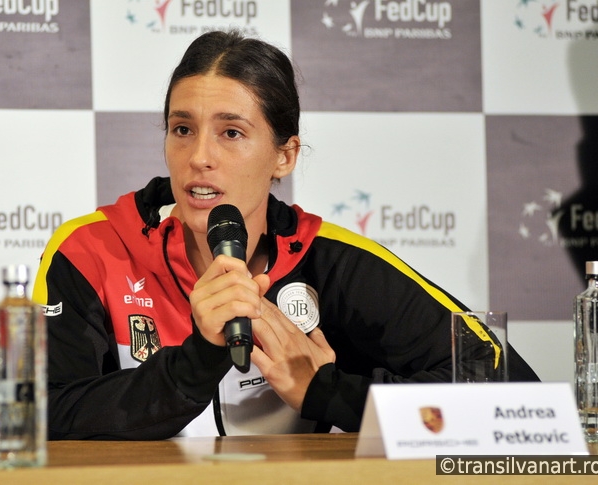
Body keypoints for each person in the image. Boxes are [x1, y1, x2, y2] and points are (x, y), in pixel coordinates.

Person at [32, 30, 539, 440]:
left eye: (231, 133)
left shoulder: (332, 260)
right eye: (182, 129)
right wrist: (197, 361)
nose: (199, 156)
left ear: (285, 155)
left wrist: (329, 393)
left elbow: (506, 390)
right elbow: (37, 412)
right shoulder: (91, 249)